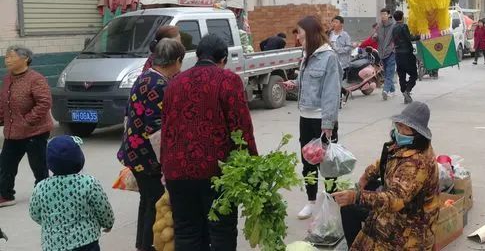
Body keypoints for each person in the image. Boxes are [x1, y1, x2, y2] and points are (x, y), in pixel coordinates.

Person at [161, 34, 258, 251]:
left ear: (197, 56)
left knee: (187, 231)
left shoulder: (174, 83)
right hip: (218, 172)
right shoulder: (228, 80)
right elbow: (241, 129)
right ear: (223, 58)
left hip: (177, 170)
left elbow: (166, 128)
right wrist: (252, 167)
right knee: (222, 229)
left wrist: (164, 168)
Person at [333, 101, 440, 250]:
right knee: (358, 199)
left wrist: (356, 196)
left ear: (418, 133)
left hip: (410, 227)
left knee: (352, 206)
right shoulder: (404, 145)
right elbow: (384, 161)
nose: (400, 130)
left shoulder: (417, 164)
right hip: (399, 210)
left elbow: (395, 200)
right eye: (399, 125)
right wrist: (366, 176)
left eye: (406, 128)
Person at [118, 39, 185, 251]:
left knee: (147, 200)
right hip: (147, 156)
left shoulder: (144, 76)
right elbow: (156, 129)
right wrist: (166, 162)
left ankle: (142, 244)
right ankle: (149, 246)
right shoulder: (161, 85)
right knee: (156, 203)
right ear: (176, 61)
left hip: (134, 150)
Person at [281, 16, 341, 220]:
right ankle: (311, 202)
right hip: (305, 118)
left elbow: (331, 92)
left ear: (313, 34)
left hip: (322, 121)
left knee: (327, 163)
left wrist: (328, 124)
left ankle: (332, 201)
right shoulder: (306, 55)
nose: (298, 38)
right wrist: (294, 84)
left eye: (301, 34)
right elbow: (307, 82)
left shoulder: (329, 57)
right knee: (308, 162)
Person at [29, 135, 115, 251]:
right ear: (79, 159)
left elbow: (35, 213)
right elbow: (103, 208)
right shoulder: (88, 183)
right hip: (86, 242)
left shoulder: (41, 187)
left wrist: (52, 223)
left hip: (53, 244)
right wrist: (108, 223)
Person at [0, 46, 53, 207]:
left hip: (35, 131)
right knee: (5, 165)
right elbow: (5, 103)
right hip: (13, 132)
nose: (7, 59)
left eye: (11, 56)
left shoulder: (35, 78)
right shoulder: (8, 79)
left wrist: (27, 121)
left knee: (38, 166)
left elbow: (44, 103)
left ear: (25, 59)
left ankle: (44, 195)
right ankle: (5, 195)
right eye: (6, 57)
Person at [392, 10, 420, 104]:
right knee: (414, 75)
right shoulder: (403, 26)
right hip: (407, 54)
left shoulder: (393, 28)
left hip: (398, 55)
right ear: (402, 17)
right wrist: (418, 36)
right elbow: (409, 38)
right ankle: (407, 91)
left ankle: (404, 93)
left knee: (402, 76)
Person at [329, 16, 353, 104]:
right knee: (333, 82)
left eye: (336, 22)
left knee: (336, 82)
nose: (334, 24)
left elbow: (349, 48)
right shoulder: (330, 34)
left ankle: (338, 101)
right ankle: (345, 92)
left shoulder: (345, 35)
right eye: (333, 22)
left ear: (341, 24)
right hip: (331, 62)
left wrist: (337, 49)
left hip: (342, 63)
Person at [375, 8, 397, 101]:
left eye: (384, 14)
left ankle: (385, 90)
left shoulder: (394, 26)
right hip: (381, 52)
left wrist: (393, 47)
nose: (383, 16)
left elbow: (397, 38)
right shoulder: (379, 26)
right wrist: (374, 37)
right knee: (386, 72)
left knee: (390, 72)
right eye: (381, 14)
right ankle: (392, 90)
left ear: (388, 15)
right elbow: (376, 38)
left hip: (391, 52)